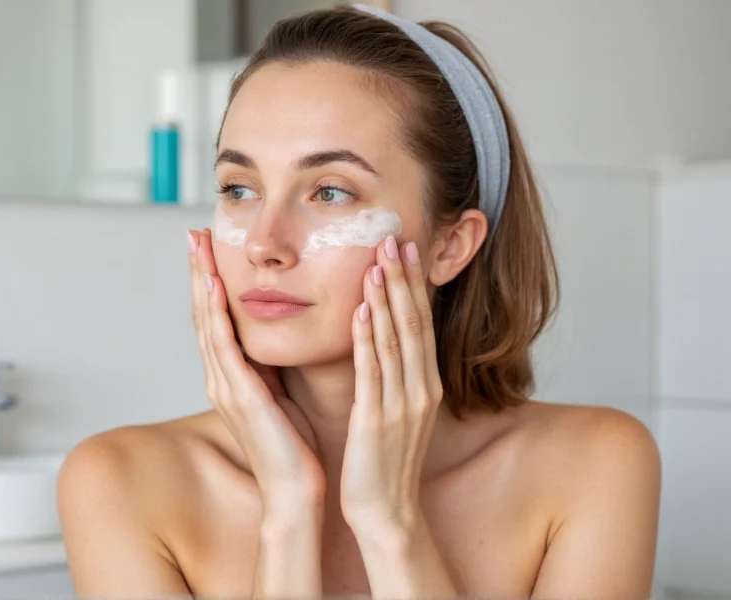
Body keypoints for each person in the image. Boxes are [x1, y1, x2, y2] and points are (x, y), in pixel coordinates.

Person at [57, 4, 661, 598]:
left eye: (329, 192)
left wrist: (389, 524)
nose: (264, 244)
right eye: (239, 188)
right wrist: (288, 513)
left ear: (450, 246)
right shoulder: (119, 481)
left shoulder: (595, 466)